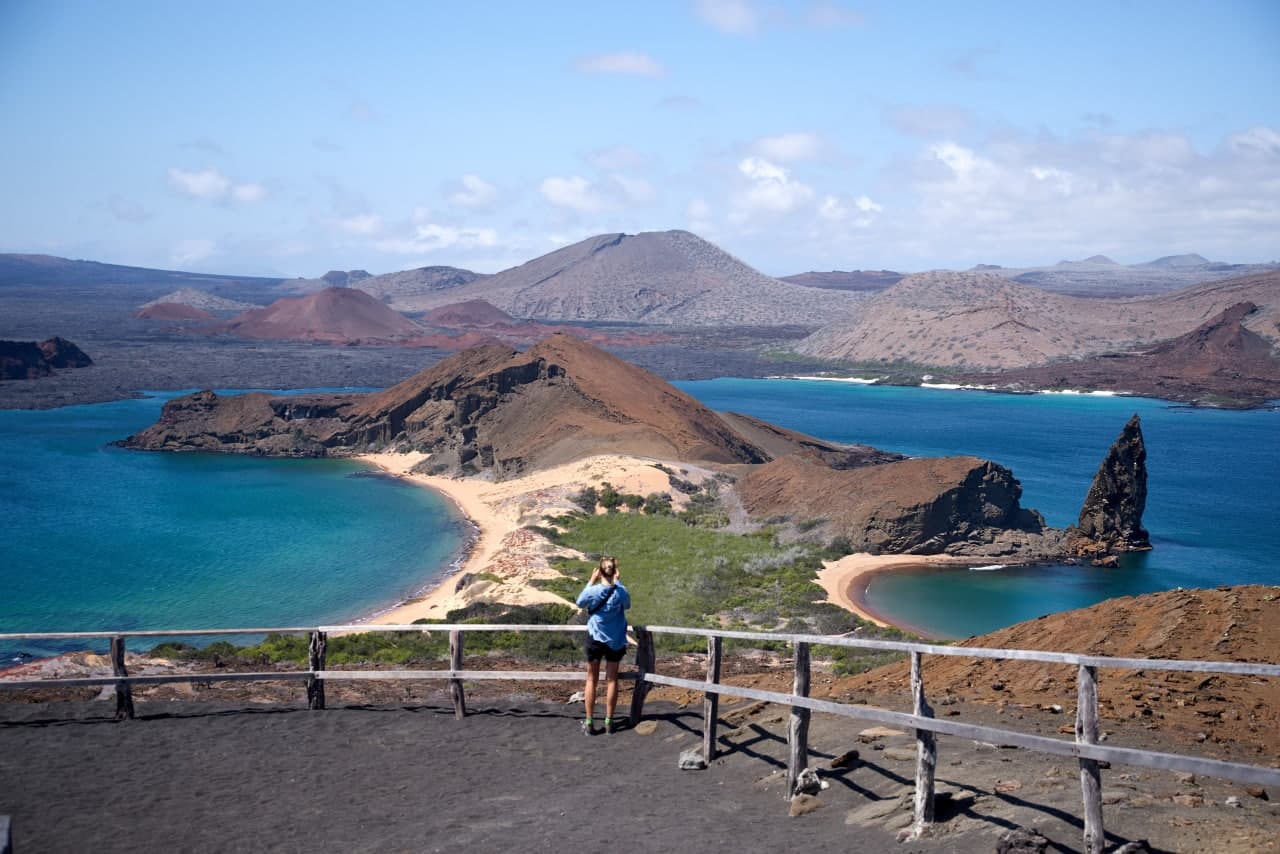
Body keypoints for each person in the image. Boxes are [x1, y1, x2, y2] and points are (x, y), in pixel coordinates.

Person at [575, 555, 631, 735]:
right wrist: (618, 582)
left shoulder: (593, 591)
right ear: (615, 572)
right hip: (615, 640)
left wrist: (591, 581)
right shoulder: (621, 591)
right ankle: (609, 722)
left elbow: (580, 602)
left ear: (599, 572)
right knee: (612, 679)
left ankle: (589, 722)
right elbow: (627, 605)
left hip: (595, 638)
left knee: (591, 679)